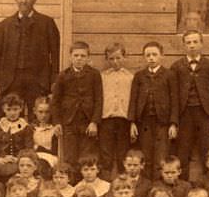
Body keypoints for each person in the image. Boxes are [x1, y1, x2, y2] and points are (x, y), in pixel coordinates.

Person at [0, 0, 60, 114]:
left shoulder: (47, 23)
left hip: (38, 79)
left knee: (38, 116)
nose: (24, 1)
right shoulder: (5, 25)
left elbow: (55, 56)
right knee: (12, 115)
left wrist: (53, 80)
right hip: (11, 80)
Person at [172, 30, 209, 181]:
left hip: (205, 115)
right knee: (183, 153)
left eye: (195, 42)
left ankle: (208, 188)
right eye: (188, 43)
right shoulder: (177, 66)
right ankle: (182, 188)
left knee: (207, 152)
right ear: (184, 45)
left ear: (201, 44)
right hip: (184, 115)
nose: (192, 46)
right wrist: (174, 121)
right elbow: (173, 97)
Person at [131, 41, 178, 180]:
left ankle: (159, 186)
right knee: (145, 157)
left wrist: (173, 123)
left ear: (161, 56)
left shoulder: (169, 75)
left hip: (162, 124)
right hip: (144, 123)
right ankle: (146, 187)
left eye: (154, 55)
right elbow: (133, 100)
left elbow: (175, 101)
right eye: (148, 55)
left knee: (161, 157)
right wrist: (132, 122)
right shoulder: (139, 76)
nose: (151, 58)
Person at [51, 41, 102, 169]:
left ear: (88, 58)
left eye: (83, 56)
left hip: (87, 121)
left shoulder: (94, 75)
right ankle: (71, 185)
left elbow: (99, 99)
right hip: (69, 121)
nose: (79, 59)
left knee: (86, 156)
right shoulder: (63, 75)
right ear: (70, 57)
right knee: (70, 156)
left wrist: (94, 122)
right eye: (76, 55)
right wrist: (57, 122)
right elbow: (55, 101)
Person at [98, 43, 136, 178]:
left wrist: (132, 122)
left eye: (118, 58)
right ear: (107, 59)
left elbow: (134, 102)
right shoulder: (102, 77)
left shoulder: (130, 77)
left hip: (123, 120)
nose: (115, 62)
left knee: (123, 154)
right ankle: (105, 185)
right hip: (106, 120)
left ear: (124, 57)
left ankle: (123, 183)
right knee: (105, 154)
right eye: (111, 59)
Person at [0, 93, 34, 179]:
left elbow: (29, 148)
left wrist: (19, 158)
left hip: (19, 161)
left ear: (21, 109)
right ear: (3, 109)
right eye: (8, 109)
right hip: (1, 161)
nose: (12, 113)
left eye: (15, 109)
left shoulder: (26, 127)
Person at [31, 96, 59, 169]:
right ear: (34, 111)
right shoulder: (31, 128)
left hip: (50, 158)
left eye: (47, 112)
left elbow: (55, 151)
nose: (44, 115)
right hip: (34, 156)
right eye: (40, 112)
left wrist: (39, 148)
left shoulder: (54, 129)